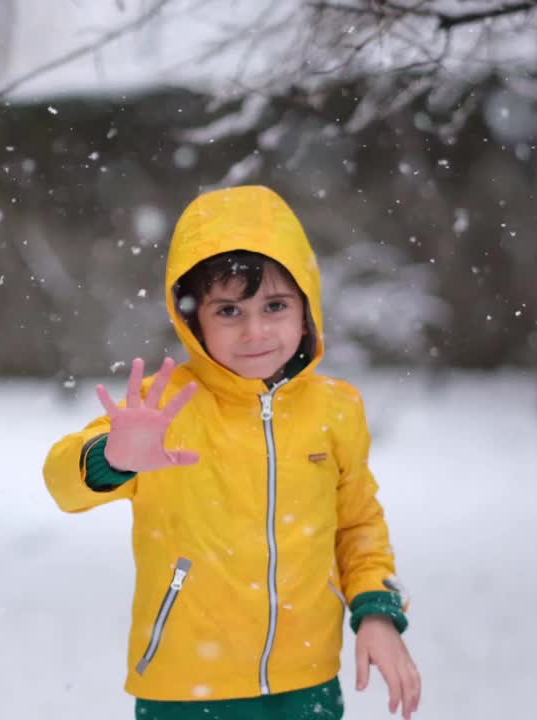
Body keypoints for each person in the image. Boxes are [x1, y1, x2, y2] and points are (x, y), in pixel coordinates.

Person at [44, 185, 421, 719]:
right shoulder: (164, 409)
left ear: (306, 304)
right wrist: (115, 457)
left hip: (306, 682)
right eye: (228, 310)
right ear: (192, 318)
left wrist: (377, 612)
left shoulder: (336, 409)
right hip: (187, 687)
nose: (256, 330)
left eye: (274, 304)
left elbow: (357, 526)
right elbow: (62, 481)